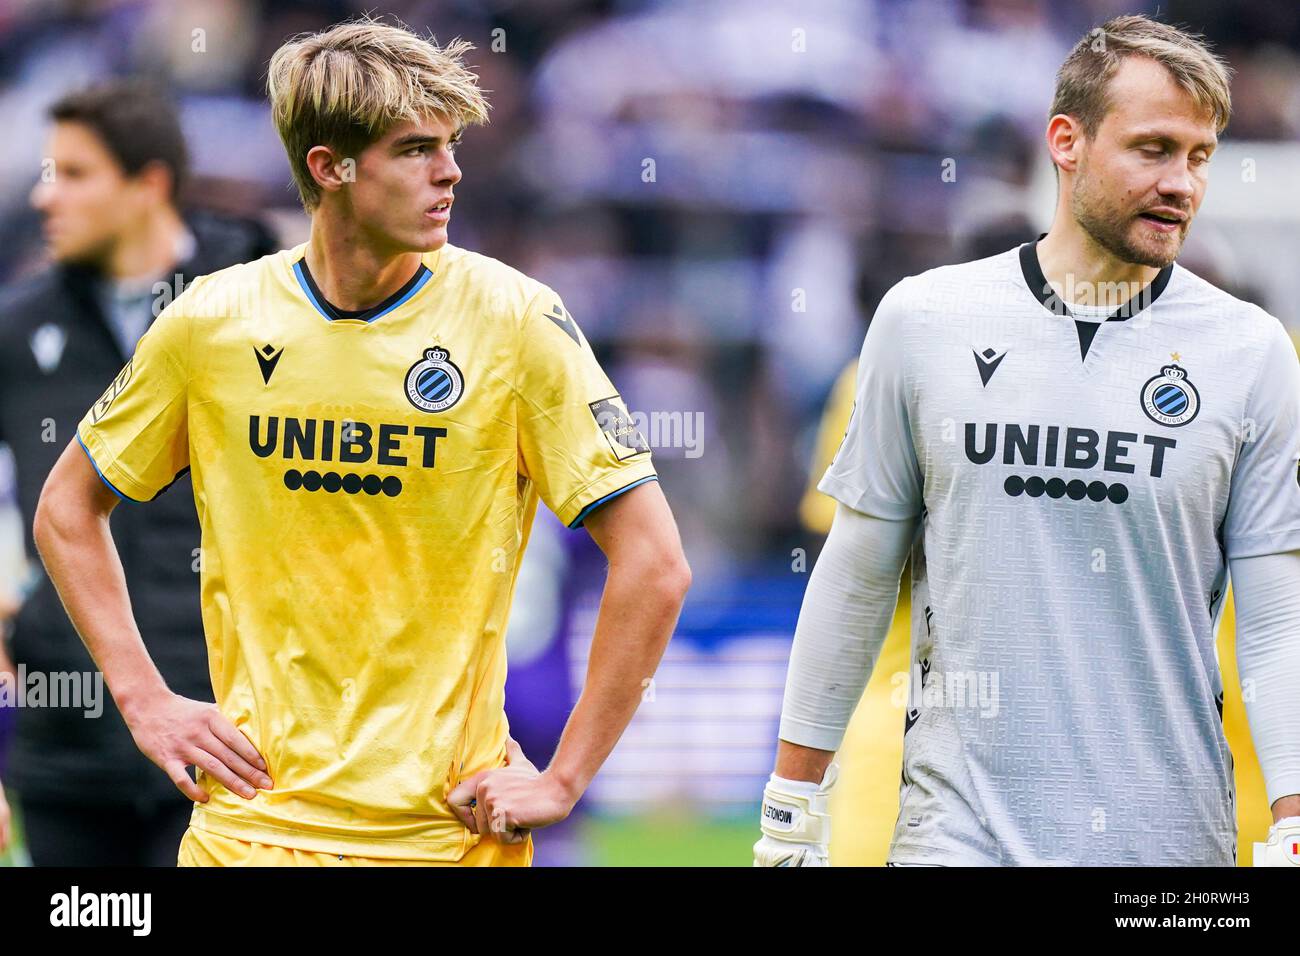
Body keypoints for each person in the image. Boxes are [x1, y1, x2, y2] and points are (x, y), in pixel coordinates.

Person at [34, 18, 690, 867]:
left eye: (451, 146)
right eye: (416, 149)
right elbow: (65, 510)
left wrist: (564, 779)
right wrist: (144, 699)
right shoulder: (210, 322)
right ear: (329, 168)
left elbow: (655, 563)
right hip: (248, 835)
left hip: (446, 838)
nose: (450, 171)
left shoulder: (516, 322)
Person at [756, 14, 1300, 866]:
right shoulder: (924, 320)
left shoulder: (1254, 353)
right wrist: (790, 806)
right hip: (954, 839)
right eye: (1153, 149)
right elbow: (856, 572)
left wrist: (1295, 814)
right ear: (1067, 141)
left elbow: (1275, 622)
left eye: (1199, 157)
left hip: (1170, 851)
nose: (1183, 184)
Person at [0, 80, 275, 866]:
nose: (43, 196)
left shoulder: (267, 300)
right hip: (68, 751)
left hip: (237, 745)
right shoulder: (16, 330)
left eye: (74, 173)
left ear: (149, 184)